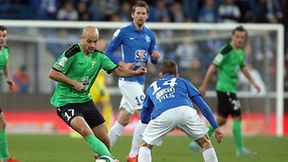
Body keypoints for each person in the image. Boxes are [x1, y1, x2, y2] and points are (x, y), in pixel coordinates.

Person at [48, 25, 147, 161]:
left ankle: (103, 159)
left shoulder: (99, 56)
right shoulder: (72, 53)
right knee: (85, 131)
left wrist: (134, 72)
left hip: (85, 100)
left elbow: (118, 71)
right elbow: (53, 73)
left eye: (95, 41)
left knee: (105, 140)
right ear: (81, 39)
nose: (92, 45)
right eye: (89, 41)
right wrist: (74, 82)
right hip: (65, 101)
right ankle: (111, 159)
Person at [189, 26, 261, 156]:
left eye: (242, 37)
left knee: (221, 120)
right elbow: (212, 67)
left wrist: (254, 82)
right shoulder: (226, 50)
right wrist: (204, 85)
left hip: (229, 89)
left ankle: (196, 142)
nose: (240, 39)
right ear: (232, 37)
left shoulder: (240, 51)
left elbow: (243, 67)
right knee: (237, 116)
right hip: (225, 89)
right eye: (237, 37)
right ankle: (240, 150)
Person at [105, 1, 160, 162]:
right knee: (146, 114)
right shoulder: (123, 32)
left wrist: (155, 58)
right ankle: (133, 155)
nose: (141, 16)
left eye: (144, 13)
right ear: (132, 14)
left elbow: (152, 58)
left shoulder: (150, 35)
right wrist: (122, 64)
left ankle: (102, 151)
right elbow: (107, 53)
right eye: (138, 13)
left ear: (147, 15)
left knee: (123, 119)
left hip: (140, 81)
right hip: (127, 80)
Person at [138, 60, 223, 162]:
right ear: (177, 75)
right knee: (205, 142)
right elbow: (202, 105)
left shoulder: (152, 86)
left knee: (145, 145)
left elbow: (144, 117)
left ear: (160, 74)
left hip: (163, 114)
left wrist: (152, 121)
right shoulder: (183, 81)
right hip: (186, 112)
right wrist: (215, 127)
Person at [69, 39, 114, 138]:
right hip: (92, 86)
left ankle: (108, 126)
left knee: (106, 104)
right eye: (101, 43)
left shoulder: (104, 56)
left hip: (101, 87)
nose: (103, 45)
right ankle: (79, 129)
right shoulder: (90, 55)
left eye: (104, 43)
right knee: (85, 107)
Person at [0, 25, 20, 162]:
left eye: (4, 36)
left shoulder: (5, 51)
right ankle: (6, 158)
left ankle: (5, 158)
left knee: (2, 123)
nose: (2, 39)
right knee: (1, 122)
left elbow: (5, 64)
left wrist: (8, 79)